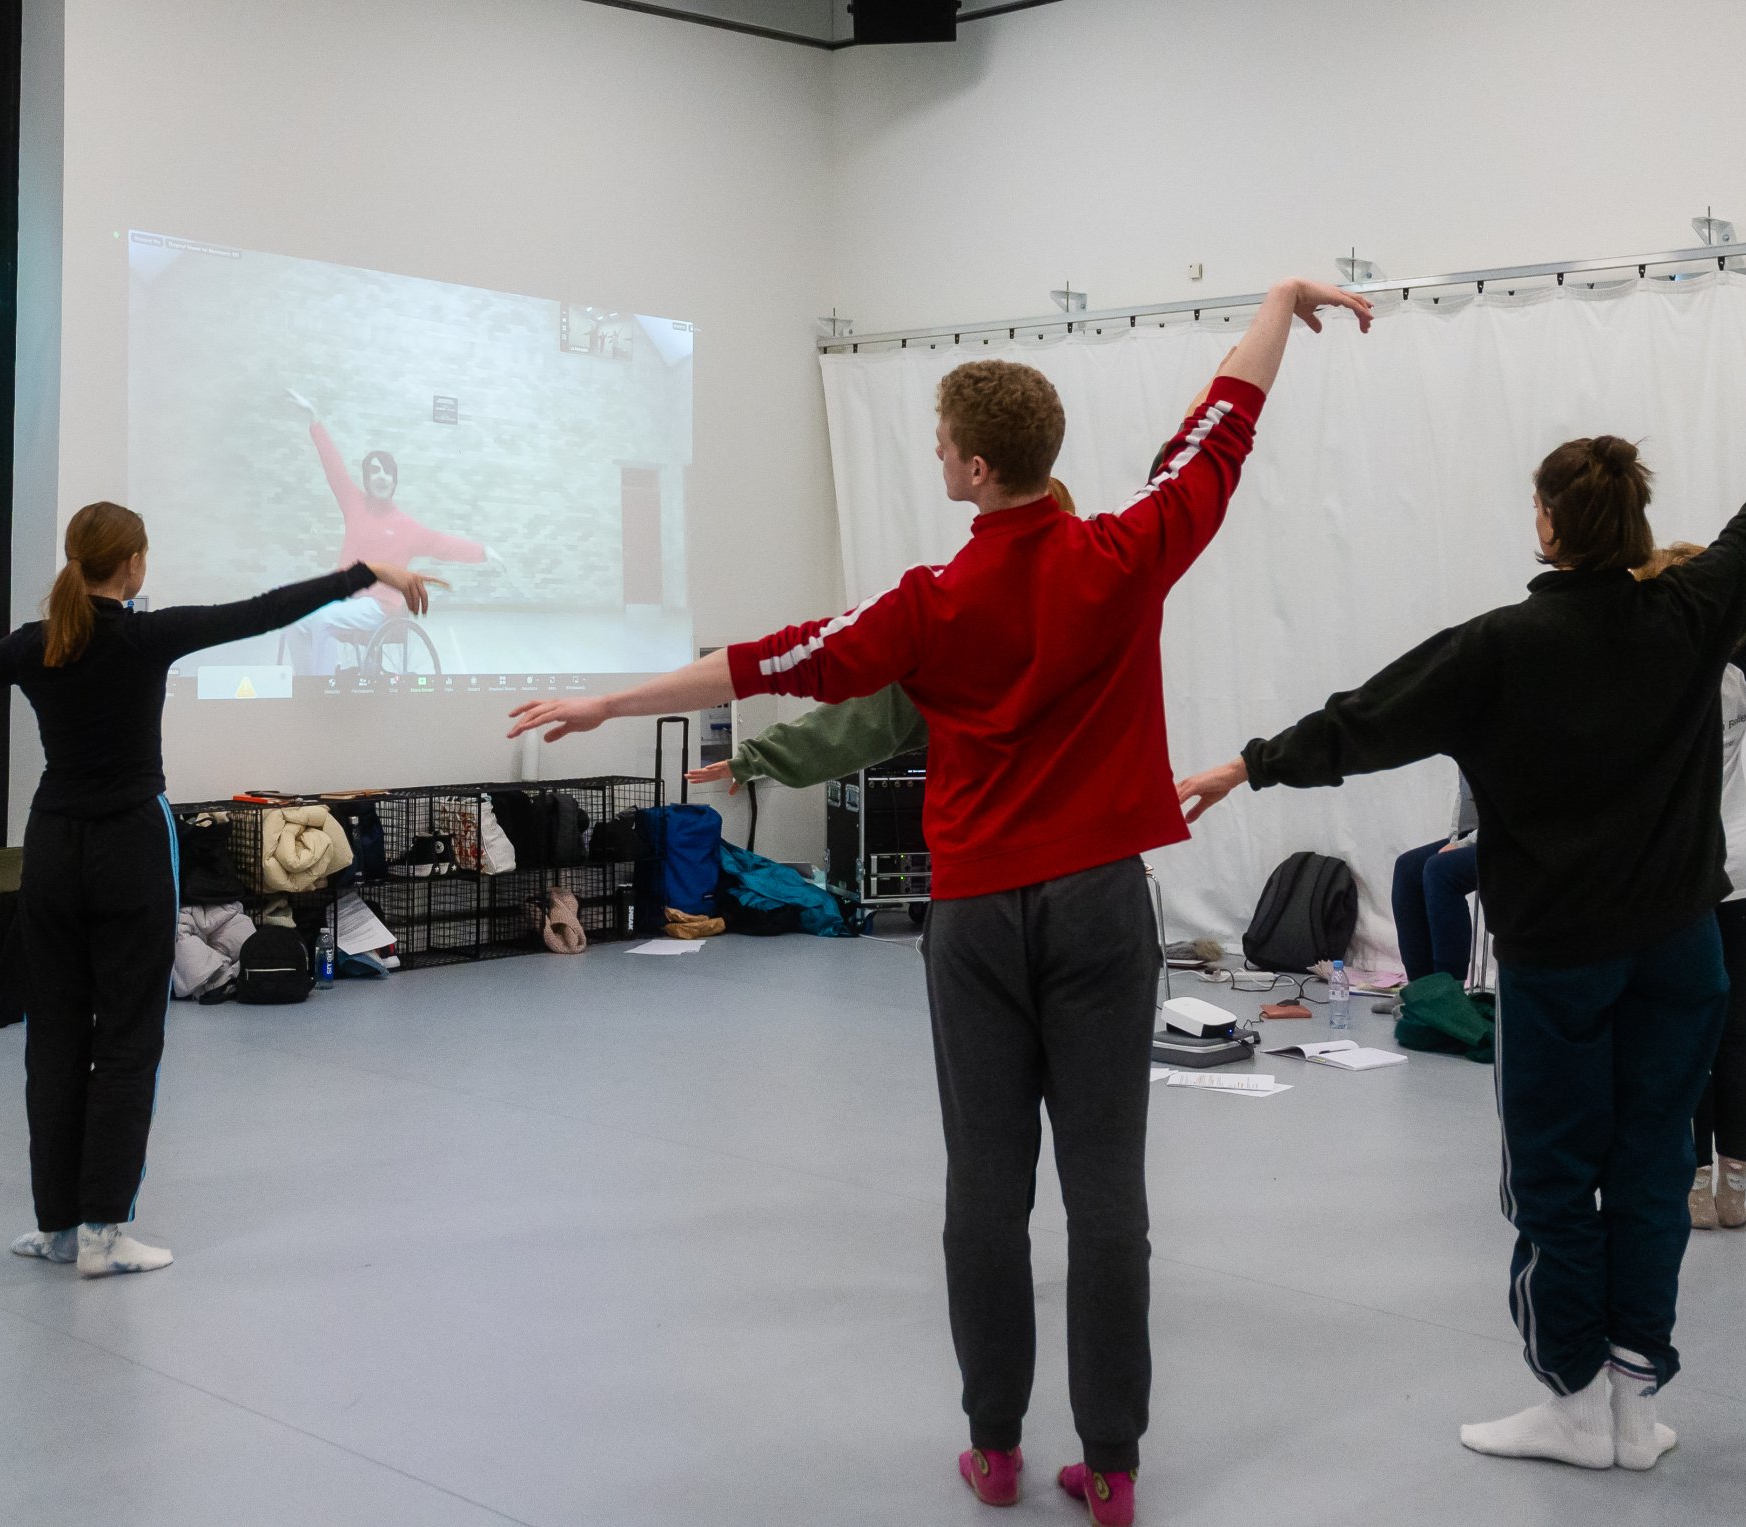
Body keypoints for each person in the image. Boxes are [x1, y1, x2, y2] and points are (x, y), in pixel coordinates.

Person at [506, 278, 1373, 1527]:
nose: (935, 460)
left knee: (986, 1183)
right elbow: (1217, 428)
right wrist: (1280, 304)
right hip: (1100, 906)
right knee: (1108, 1188)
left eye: (937, 448)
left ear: (971, 469)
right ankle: (1115, 1464)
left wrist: (604, 702)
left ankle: (996, 1446)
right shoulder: (1127, 553)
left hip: (974, 919)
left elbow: (772, 656)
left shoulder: (926, 602)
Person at [1174, 369, 1746, 1472]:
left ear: (1544, 524)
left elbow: (1363, 721)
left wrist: (1246, 765)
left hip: (1560, 961)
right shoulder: (1690, 610)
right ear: (1637, 524)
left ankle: (1575, 1403)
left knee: (1553, 1178)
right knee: (1652, 1165)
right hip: (1679, 949)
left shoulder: (1497, 646)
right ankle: (1633, 1396)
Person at [0, 502, 437, 1278]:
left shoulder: (34, 644)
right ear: (133, 565)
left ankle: (58, 1225)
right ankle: (100, 1231)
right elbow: (261, 612)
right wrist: (366, 573)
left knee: (54, 1041)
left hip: (53, 849)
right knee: (127, 1039)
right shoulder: (148, 636)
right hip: (130, 849)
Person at [681, 484, 1075, 799]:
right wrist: (758, 758)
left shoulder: (950, 613)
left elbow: (861, 722)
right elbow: (861, 720)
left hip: (1006, 847)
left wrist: (758, 757)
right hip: (1082, 853)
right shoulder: (1096, 606)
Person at [1635, 541, 1746, 1231]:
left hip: (1675, 877)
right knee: (1738, 1032)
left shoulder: (1635, 684)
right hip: (1743, 868)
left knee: (1682, 1032)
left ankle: (1691, 1185)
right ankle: (1734, 1191)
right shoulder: (1737, 678)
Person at [285, 389, 486, 676]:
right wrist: (314, 419)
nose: (381, 476)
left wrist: (483, 552)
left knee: (323, 620)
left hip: (380, 608)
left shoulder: (407, 526)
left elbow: (444, 544)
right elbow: (334, 469)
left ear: (394, 480)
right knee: (295, 620)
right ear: (366, 480)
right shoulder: (354, 505)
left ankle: (322, 689)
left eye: (387, 472)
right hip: (347, 600)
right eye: (374, 471)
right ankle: (308, 684)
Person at [1388, 778, 1479, 986]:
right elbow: (1465, 800)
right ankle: (1421, 990)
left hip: (1510, 838)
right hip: (1473, 838)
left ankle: (1448, 990)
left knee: (1441, 870)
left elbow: (1508, 814)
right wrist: (1455, 840)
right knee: (1408, 868)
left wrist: (1463, 844)